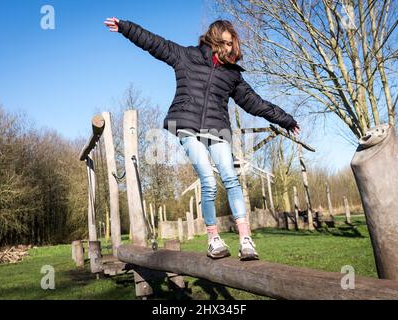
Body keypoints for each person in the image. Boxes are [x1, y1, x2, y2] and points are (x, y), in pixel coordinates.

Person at [104, 17, 300, 261]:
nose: (229, 49)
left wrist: (286, 119)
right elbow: (154, 43)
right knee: (208, 180)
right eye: (226, 43)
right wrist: (125, 27)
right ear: (215, 39)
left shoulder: (232, 75)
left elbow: (255, 102)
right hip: (186, 126)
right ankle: (213, 239)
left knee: (230, 178)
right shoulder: (187, 56)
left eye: (232, 44)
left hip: (216, 128)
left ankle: (245, 240)